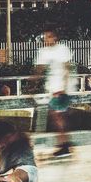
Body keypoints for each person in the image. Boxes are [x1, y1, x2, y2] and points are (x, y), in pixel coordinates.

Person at [35, 28, 73, 157]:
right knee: (57, 117)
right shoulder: (44, 52)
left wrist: (63, 88)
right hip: (52, 89)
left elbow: (66, 69)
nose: (46, 39)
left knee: (57, 117)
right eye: (45, 37)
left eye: (49, 37)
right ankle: (65, 144)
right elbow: (39, 69)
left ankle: (64, 145)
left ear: (55, 37)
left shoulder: (62, 50)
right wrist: (32, 84)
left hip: (60, 89)